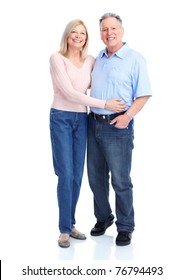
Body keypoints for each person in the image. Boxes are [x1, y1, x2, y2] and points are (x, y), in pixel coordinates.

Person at [49, 19, 125, 248]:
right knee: (66, 174)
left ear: (86, 38)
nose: (78, 36)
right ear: (67, 35)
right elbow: (71, 94)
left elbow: (101, 81)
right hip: (61, 117)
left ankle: (71, 224)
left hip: (82, 119)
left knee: (77, 176)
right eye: (74, 31)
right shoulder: (56, 58)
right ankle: (64, 229)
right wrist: (104, 103)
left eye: (82, 33)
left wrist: (122, 100)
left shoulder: (91, 60)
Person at [87, 13, 152, 246]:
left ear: (122, 31)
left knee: (121, 180)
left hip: (117, 126)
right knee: (95, 178)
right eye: (104, 29)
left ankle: (125, 226)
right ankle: (104, 218)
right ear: (100, 34)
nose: (109, 33)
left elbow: (143, 93)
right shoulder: (99, 59)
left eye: (113, 28)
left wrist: (128, 116)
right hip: (92, 124)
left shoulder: (135, 59)